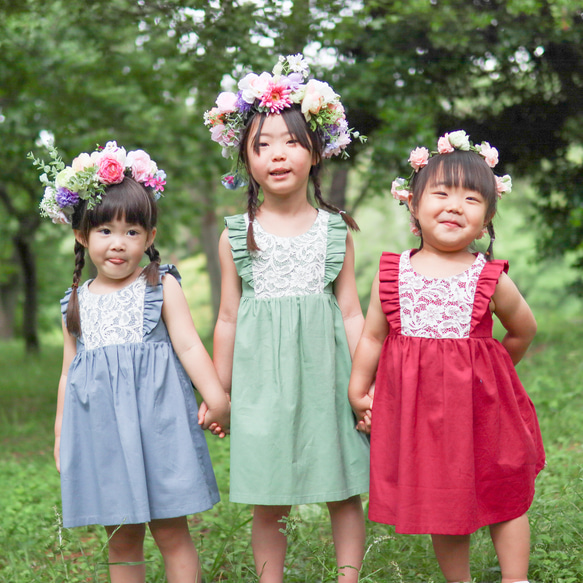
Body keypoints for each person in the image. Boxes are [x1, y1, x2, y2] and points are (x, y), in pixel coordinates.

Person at [348, 130, 545, 583]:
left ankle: (516, 578)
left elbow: (523, 330)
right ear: (414, 205)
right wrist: (359, 388)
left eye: (471, 198)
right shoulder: (395, 274)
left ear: (487, 217)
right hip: (426, 418)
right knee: (445, 502)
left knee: (504, 492)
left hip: (483, 411)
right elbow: (374, 338)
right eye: (441, 193)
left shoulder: (488, 276)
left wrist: (493, 374)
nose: (455, 205)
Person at [31, 141, 230, 583]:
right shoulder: (74, 304)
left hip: (159, 431)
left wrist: (217, 397)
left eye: (131, 232)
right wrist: (62, 431)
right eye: (104, 231)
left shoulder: (161, 286)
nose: (118, 244)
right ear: (82, 234)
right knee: (120, 536)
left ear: (150, 237)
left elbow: (190, 347)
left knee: (171, 532)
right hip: (102, 435)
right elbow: (68, 373)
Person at [204, 54, 370, 583]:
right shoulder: (236, 233)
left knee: (343, 488)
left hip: (328, 372)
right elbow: (227, 317)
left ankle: (348, 577)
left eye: (292, 141)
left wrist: (365, 385)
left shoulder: (335, 229)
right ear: (245, 159)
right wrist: (218, 392)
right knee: (268, 496)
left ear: (317, 151)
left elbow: (350, 311)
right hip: (262, 381)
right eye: (263, 144)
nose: (278, 154)